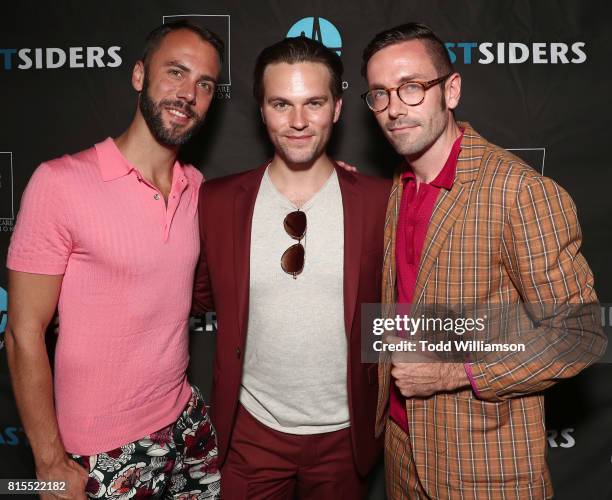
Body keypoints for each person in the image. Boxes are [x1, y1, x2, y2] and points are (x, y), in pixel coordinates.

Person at [360, 23, 606, 499]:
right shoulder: (398, 187)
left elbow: (581, 334)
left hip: (482, 464)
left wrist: (455, 372)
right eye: (379, 94)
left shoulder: (520, 193)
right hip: (400, 449)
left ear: (450, 90)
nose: (394, 108)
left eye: (412, 87)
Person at [6, 21, 223, 499]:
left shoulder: (198, 188)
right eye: (176, 73)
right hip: (103, 450)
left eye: (204, 84)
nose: (188, 93)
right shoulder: (60, 183)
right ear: (139, 76)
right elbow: (23, 332)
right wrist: (48, 462)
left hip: (187, 424)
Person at [192, 36, 389, 499]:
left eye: (314, 103)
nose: (298, 122)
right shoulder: (216, 202)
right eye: (281, 104)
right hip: (250, 434)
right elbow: (199, 295)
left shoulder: (381, 201)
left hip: (347, 438)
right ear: (261, 111)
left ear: (337, 109)